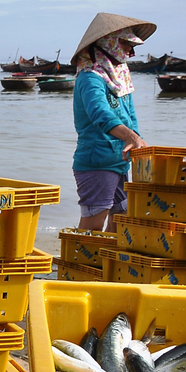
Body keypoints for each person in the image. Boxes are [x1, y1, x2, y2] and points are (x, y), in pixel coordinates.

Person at [70, 12, 155, 232]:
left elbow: (130, 115)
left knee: (122, 218)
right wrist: (132, 137)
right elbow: (100, 114)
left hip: (119, 160)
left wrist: (137, 140)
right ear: (108, 43)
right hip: (97, 161)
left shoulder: (119, 76)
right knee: (94, 224)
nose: (131, 51)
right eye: (127, 44)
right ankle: (81, 263)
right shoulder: (89, 78)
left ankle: (103, 265)